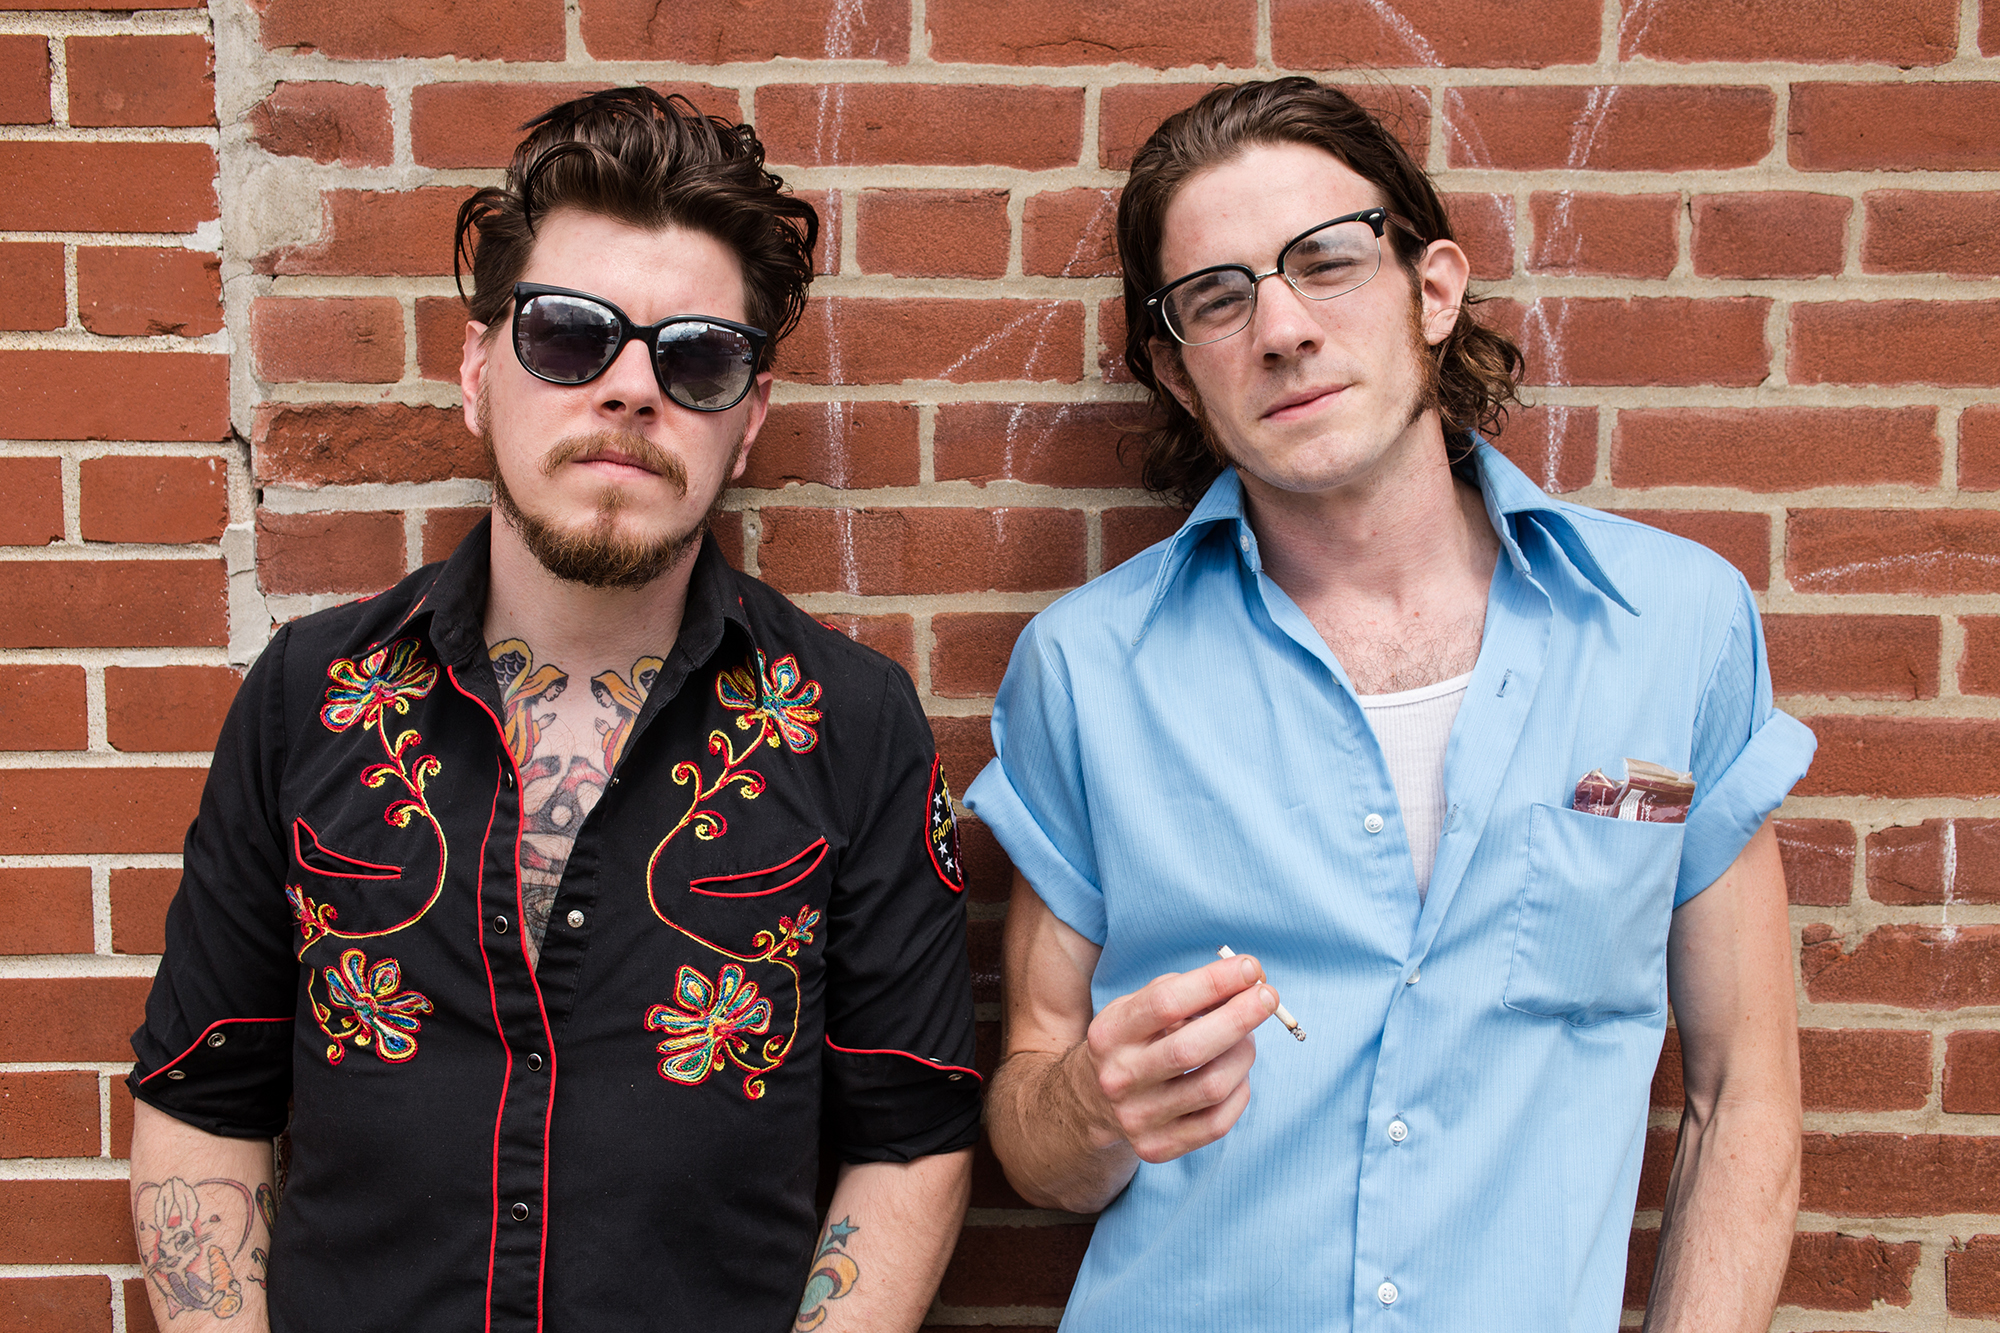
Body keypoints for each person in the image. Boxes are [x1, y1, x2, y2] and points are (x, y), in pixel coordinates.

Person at [968, 77, 1815, 1331]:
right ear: (1177, 373)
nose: (1281, 329)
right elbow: (1036, 1135)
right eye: (1217, 297)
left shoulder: (1669, 629)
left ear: (1432, 289)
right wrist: (1093, 1109)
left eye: (1326, 261)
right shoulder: (1086, 670)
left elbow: (1740, 1097)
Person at [128, 88, 979, 1333]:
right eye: (570, 334)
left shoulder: (852, 724)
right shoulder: (307, 697)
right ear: (479, 371)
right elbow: (202, 1096)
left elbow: (908, 1139)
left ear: (745, 422)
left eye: (695, 356)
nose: (630, 389)